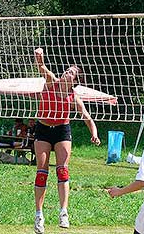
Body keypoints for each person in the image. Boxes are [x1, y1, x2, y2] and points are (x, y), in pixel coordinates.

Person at [32, 48, 101, 234]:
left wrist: (94, 133)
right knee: (42, 172)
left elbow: (87, 117)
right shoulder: (51, 82)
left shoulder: (74, 97)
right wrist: (40, 56)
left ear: (75, 80)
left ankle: (63, 212)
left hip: (62, 129)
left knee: (62, 170)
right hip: (43, 129)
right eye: (67, 70)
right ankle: (39, 215)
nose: (66, 72)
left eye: (71, 72)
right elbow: (42, 67)